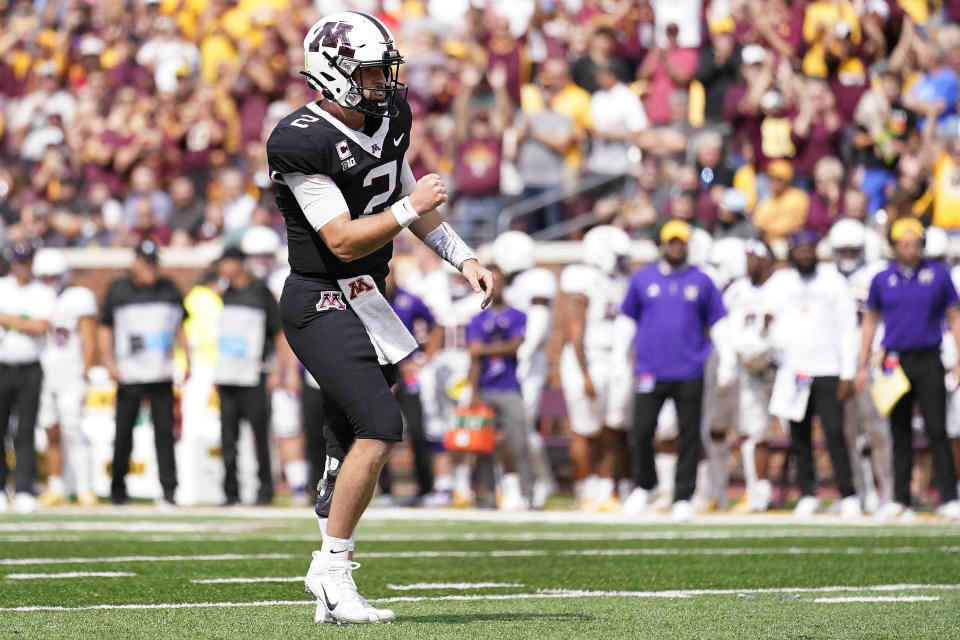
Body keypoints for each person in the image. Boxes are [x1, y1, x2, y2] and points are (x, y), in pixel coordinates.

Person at [266, 12, 493, 625]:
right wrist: (407, 206)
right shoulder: (298, 139)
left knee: (362, 423)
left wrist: (461, 256)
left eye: (383, 70)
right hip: (319, 295)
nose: (381, 84)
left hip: (370, 293)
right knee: (381, 425)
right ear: (332, 72)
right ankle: (333, 572)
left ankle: (334, 468)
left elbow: (407, 200)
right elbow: (340, 239)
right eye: (368, 71)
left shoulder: (390, 117)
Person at [617, 220, 726, 521]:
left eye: (681, 242)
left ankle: (683, 495)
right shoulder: (643, 278)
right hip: (650, 368)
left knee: (689, 434)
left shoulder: (701, 280)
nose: (676, 247)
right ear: (662, 244)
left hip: (690, 368)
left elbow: (717, 323)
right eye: (671, 241)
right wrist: (619, 357)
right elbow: (627, 320)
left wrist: (725, 359)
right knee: (641, 430)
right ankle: (646, 484)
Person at [857, 218, 960, 520]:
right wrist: (862, 363)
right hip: (895, 360)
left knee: (937, 429)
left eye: (914, 243)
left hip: (929, 357)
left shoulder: (938, 276)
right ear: (893, 246)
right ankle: (899, 498)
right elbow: (870, 321)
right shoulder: (881, 278)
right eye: (904, 244)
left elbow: (954, 318)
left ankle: (948, 496)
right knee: (898, 430)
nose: (910, 249)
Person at [764, 230, 860, 518]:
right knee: (800, 436)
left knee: (834, 433)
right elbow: (768, 317)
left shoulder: (833, 281)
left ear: (817, 250)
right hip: (794, 370)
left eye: (809, 249)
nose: (804, 254)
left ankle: (848, 494)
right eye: (799, 250)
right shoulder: (781, 282)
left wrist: (847, 372)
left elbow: (847, 329)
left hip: (828, 368)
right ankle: (807, 493)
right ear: (791, 253)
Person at [99, 239, 189, 507]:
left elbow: (181, 326)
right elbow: (105, 327)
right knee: (123, 434)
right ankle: (118, 489)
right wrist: (107, 360)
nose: (150, 268)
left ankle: (169, 490)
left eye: (153, 263)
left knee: (164, 434)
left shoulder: (170, 289)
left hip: (161, 372)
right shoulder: (119, 290)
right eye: (145, 263)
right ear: (135, 263)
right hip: (129, 373)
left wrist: (187, 359)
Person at [559, 226, 633, 511]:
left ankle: (605, 490)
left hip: (614, 360)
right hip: (587, 358)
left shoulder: (622, 281)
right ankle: (585, 491)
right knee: (584, 429)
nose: (624, 262)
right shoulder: (582, 280)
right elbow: (575, 331)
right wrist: (585, 373)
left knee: (610, 429)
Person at [829, 218, 893, 513]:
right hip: (839, 365)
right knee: (848, 434)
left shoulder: (877, 274)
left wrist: (884, 347)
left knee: (879, 431)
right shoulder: (827, 277)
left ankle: (889, 492)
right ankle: (859, 491)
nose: (847, 258)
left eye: (853, 251)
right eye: (842, 251)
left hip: (874, 363)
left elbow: (889, 315)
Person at [491, 231, 557, 508]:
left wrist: (524, 354)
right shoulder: (509, 283)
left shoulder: (538, 279)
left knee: (521, 426)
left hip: (525, 363)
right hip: (503, 363)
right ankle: (517, 484)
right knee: (505, 427)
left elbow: (539, 321)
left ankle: (537, 482)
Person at [214, 246, 283, 506]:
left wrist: (278, 370)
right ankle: (230, 492)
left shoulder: (260, 293)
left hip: (255, 374)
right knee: (228, 438)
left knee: (260, 436)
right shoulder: (223, 295)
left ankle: (265, 489)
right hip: (228, 375)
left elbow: (278, 332)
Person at [33, 249, 99, 508]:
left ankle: (84, 487)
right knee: (49, 430)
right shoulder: (34, 299)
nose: (49, 282)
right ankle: (56, 485)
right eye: (44, 277)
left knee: (73, 427)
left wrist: (87, 369)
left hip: (70, 372)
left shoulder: (78, 297)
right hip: (42, 373)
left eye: (53, 276)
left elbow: (88, 336)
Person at [465, 266, 532, 511]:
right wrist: (471, 392)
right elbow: (473, 357)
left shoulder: (518, 315)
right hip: (484, 388)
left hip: (509, 387)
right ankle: (490, 496)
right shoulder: (477, 319)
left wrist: (484, 348)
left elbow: (514, 346)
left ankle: (528, 496)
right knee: (483, 447)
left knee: (519, 443)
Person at [378, 270, 443, 505]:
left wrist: (425, 359)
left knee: (417, 430)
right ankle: (385, 490)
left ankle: (425, 488)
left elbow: (437, 327)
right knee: (379, 431)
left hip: (406, 375)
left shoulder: (410, 299)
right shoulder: (367, 299)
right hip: (380, 374)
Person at [0, 243, 55, 514]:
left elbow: (41, 325)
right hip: (2, 365)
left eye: (27, 260)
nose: (23, 265)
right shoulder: (3, 287)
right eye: (19, 261)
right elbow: (31, 323)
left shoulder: (42, 291)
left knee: (26, 430)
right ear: (12, 262)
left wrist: (8, 320)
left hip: (30, 367)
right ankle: (1, 488)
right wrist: (24, 321)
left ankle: (23, 488)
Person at [724, 239, 776, 512]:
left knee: (801, 430)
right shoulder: (737, 291)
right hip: (748, 368)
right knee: (753, 431)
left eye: (750, 256)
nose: (746, 262)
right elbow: (731, 332)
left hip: (781, 368)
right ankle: (757, 492)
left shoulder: (781, 286)